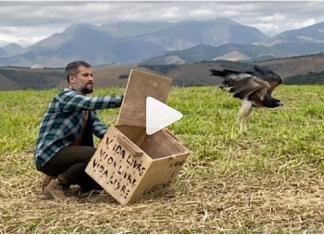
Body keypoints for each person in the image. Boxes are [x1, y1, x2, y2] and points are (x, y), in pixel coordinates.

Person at [33, 60, 124, 202]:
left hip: (68, 152)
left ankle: (59, 175)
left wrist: (124, 141)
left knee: (95, 184)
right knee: (96, 156)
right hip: (50, 155)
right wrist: (124, 99)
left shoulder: (86, 110)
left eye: (92, 75)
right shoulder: (65, 97)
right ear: (72, 79)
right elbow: (91, 103)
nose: (91, 79)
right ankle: (56, 185)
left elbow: (100, 129)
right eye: (85, 75)